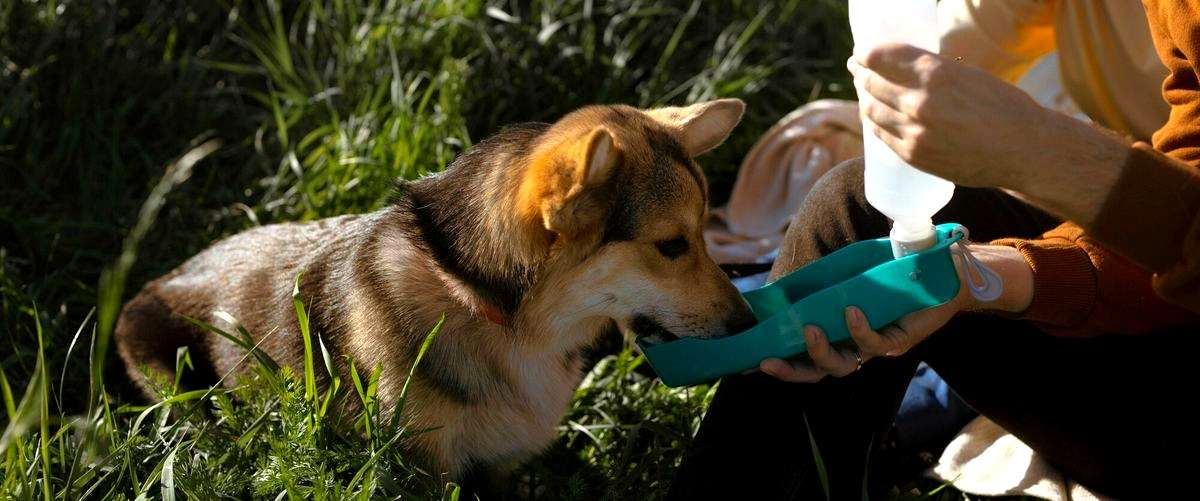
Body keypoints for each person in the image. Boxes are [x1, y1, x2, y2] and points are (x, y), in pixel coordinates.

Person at [668, 1, 1200, 499]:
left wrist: (1040, 151)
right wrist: (977, 276)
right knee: (861, 208)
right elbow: (958, 48)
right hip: (1157, 293)